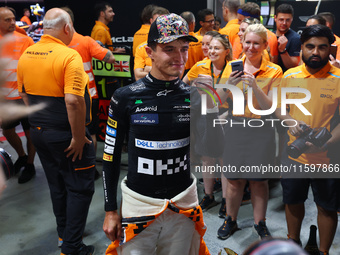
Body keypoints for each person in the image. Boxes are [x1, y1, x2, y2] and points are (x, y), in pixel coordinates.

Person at [102, 13, 223, 255]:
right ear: (150, 51)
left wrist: (213, 105)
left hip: (184, 202)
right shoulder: (124, 96)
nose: (180, 58)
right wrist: (110, 210)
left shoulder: (195, 95)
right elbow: (110, 156)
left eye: (184, 49)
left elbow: (213, 150)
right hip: (139, 204)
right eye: (169, 49)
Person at [17, 8, 96, 255]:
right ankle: (72, 247)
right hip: (67, 135)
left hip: (40, 133)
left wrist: (41, 123)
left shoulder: (27, 53)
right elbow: (73, 101)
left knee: (57, 185)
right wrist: (77, 136)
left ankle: (64, 237)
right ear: (67, 27)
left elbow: (23, 94)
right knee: (80, 188)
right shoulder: (68, 56)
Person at [275, 24, 340, 255]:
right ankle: (292, 244)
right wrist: (292, 123)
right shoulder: (290, 75)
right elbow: (281, 109)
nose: (316, 52)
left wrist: (325, 142)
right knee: (293, 201)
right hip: (295, 154)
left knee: (327, 207)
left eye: (322, 47)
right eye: (310, 46)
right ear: (301, 47)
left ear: (330, 49)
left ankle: (324, 251)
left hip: (328, 157)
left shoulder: (339, 78)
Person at [215, 24, 282, 240]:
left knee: (258, 180)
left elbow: (272, 107)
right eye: (247, 42)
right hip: (236, 127)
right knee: (234, 180)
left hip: (261, 128)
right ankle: (231, 220)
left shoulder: (274, 71)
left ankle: (259, 223)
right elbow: (218, 101)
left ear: (264, 45)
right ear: (241, 43)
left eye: (256, 43)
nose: (251, 47)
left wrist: (255, 86)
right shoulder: (232, 67)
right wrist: (228, 85)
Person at [62, 6, 115, 179]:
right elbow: (110, 58)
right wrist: (100, 47)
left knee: (67, 131)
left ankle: (72, 166)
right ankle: (89, 166)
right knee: (89, 131)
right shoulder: (85, 41)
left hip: (61, 97)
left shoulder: (54, 44)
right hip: (88, 95)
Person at [183, 33, 232, 218]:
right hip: (204, 116)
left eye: (216, 48)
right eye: (210, 47)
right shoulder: (200, 66)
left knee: (223, 159)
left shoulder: (232, 70)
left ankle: (227, 200)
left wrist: (228, 113)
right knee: (206, 157)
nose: (211, 51)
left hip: (225, 115)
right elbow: (183, 85)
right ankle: (208, 195)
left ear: (226, 51)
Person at [0, 7, 36, 184]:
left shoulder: (26, 40)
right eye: (7, 20)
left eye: (13, 19)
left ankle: (30, 164)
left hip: (26, 96)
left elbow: (37, 66)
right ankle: (21, 156)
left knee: (31, 133)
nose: (12, 22)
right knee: (8, 131)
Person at [133, 6, 169, 81]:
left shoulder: (176, 46)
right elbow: (138, 76)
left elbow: (174, 74)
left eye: (162, 22)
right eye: (156, 22)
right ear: (151, 21)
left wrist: (149, 69)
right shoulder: (141, 47)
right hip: (149, 90)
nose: (159, 25)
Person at [274, 4, 301, 72]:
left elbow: (293, 66)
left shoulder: (296, 38)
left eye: (287, 20)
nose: (284, 23)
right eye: (281, 19)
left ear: (292, 20)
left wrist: (283, 51)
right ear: (275, 18)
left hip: (286, 78)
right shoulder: (270, 36)